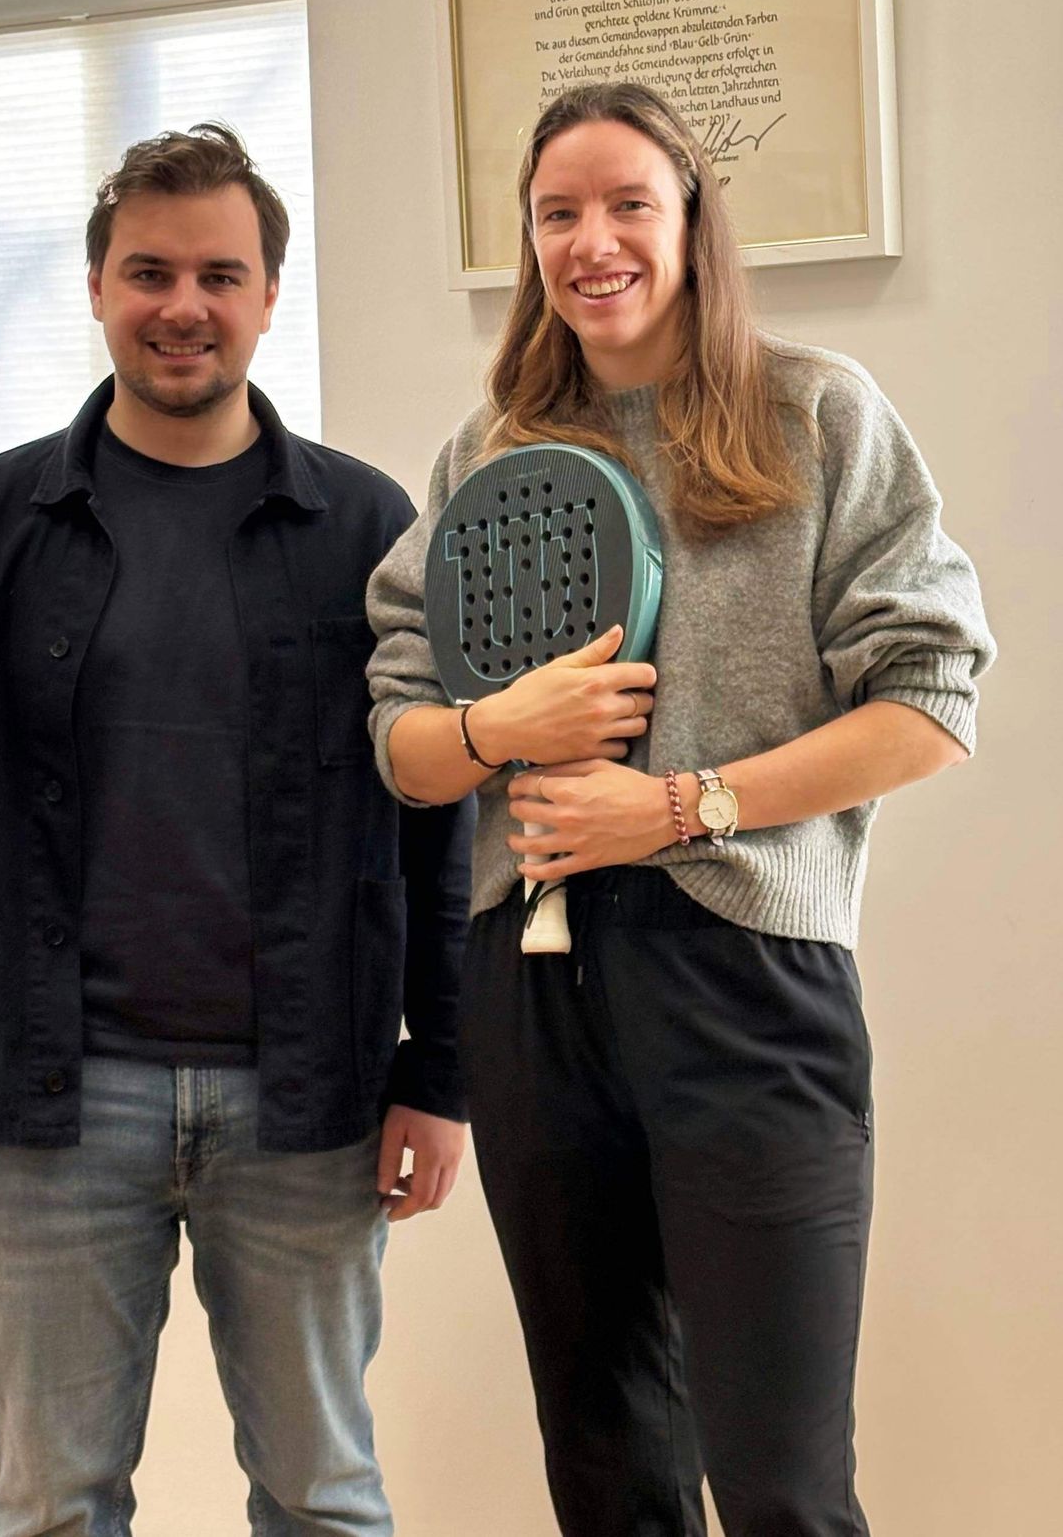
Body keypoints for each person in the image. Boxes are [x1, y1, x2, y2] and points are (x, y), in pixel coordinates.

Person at [366, 82, 994, 1537]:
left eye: (626, 204)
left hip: (746, 986)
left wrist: (679, 806)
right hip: (528, 999)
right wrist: (486, 730)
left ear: (692, 222)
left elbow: (927, 706)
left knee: (776, 1482)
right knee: (604, 1468)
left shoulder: (815, 413)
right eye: (556, 214)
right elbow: (399, 743)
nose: (591, 242)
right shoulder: (488, 454)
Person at [0, 122, 472, 1537]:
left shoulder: (364, 523)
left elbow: (444, 825)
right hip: (53, 1107)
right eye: (148, 271)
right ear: (94, 287)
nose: (181, 304)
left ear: (264, 296)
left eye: (217, 274)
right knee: (54, 1504)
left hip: (307, 1105)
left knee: (324, 1498)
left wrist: (443, 1071)